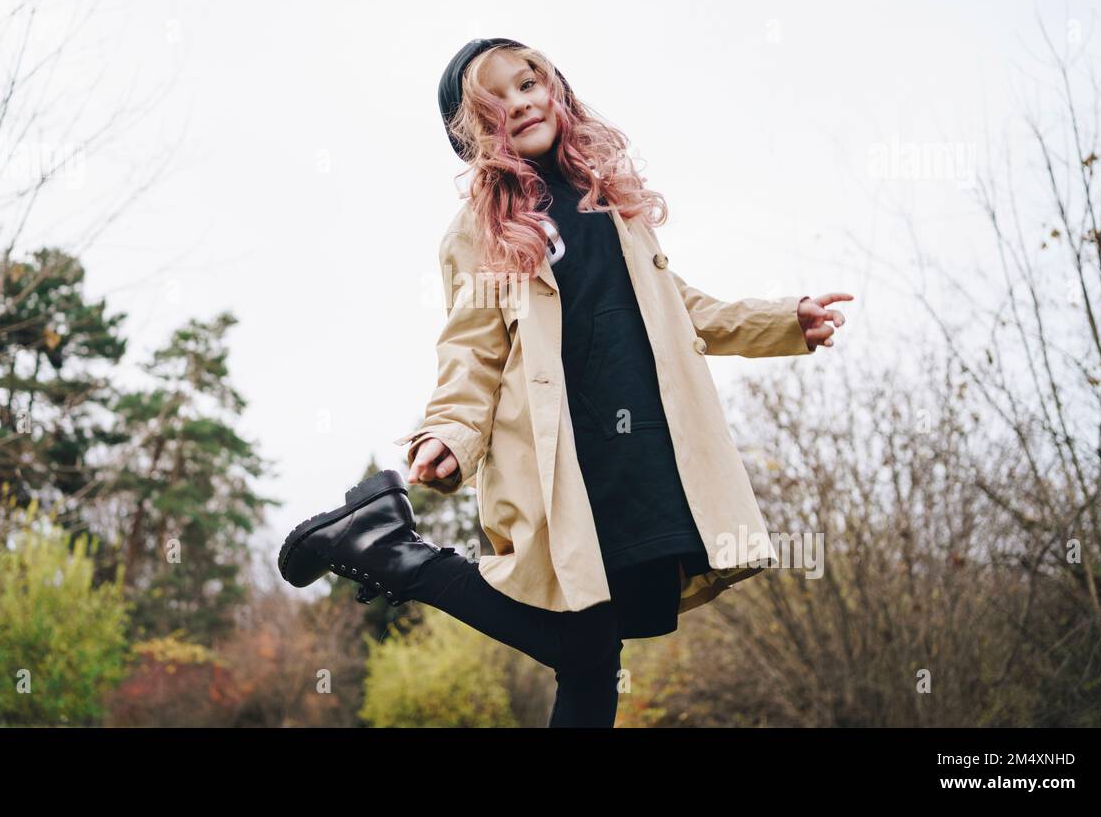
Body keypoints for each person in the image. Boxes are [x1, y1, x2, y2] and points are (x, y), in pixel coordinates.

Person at [279, 38, 852, 727]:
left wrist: (783, 321)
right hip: (568, 466)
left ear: (558, 92)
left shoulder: (614, 204)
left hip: (646, 454)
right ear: (477, 137)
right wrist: (451, 431)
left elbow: (681, 309)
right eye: (495, 104)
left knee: (590, 659)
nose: (520, 103)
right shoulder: (482, 230)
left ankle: (385, 546)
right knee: (585, 647)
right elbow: (473, 347)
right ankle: (393, 553)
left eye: (528, 83)